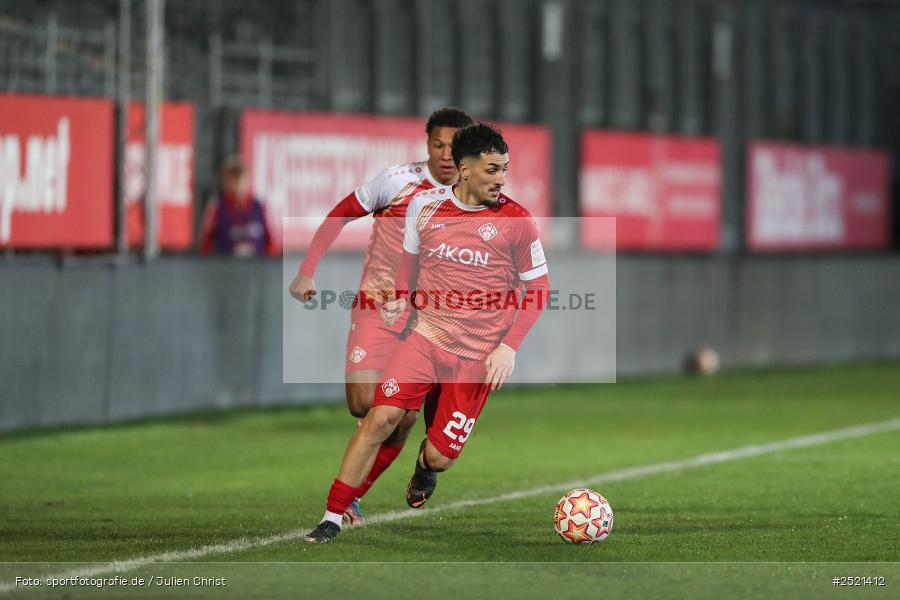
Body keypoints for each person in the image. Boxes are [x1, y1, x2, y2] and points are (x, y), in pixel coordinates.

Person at [305, 123, 551, 543]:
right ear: (465, 170)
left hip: (475, 357)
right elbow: (408, 262)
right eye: (493, 169)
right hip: (423, 338)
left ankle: (424, 468)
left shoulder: (517, 221)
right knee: (379, 418)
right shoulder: (425, 206)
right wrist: (402, 296)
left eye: (505, 169)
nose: (501, 179)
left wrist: (508, 347)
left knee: (440, 456)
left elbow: (539, 289)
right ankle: (332, 515)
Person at [288, 107, 474, 524]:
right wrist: (307, 269)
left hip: (422, 322)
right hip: (376, 307)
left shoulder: (470, 198)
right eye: (437, 144)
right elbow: (340, 214)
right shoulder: (396, 181)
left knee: (399, 417)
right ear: (427, 144)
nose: (445, 154)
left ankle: (351, 498)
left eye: (454, 146)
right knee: (363, 405)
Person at [199, 156, 276, 257]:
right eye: (232, 179)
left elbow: (272, 243)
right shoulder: (217, 208)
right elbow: (205, 244)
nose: (237, 183)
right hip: (226, 266)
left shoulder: (259, 207)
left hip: (257, 267)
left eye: (240, 177)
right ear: (225, 182)